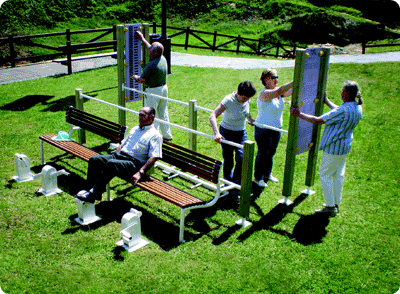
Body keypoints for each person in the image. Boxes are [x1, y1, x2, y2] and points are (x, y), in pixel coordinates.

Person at [290, 81, 363, 215]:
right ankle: (335, 203)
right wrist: (327, 101)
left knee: (325, 175)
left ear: (348, 94)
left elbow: (318, 120)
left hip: (333, 147)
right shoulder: (357, 107)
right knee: (338, 176)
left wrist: (298, 114)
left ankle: (330, 207)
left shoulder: (343, 110)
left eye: (343, 91)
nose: (341, 93)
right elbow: (338, 111)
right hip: (344, 147)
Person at [76, 106, 163, 203]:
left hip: (134, 163)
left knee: (112, 164)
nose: (140, 118)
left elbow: (154, 156)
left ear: (152, 117)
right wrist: (116, 153)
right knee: (94, 160)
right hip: (120, 156)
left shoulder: (155, 135)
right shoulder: (135, 129)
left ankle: (94, 193)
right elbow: (123, 144)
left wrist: (140, 173)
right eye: (139, 115)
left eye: (143, 115)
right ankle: (91, 190)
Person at [209, 81, 256, 186]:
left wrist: (250, 119)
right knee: (229, 160)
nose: (246, 100)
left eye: (248, 98)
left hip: (241, 133)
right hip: (227, 132)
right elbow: (212, 115)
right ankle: (228, 184)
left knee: (242, 158)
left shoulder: (246, 98)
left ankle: (235, 185)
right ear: (238, 93)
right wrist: (216, 133)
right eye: (244, 98)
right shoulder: (228, 100)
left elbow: (245, 111)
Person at [253, 69, 293, 188]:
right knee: (263, 153)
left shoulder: (278, 94)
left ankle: (267, 174)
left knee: (271, 153)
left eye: (277, 77)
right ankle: (257, 178)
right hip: (263, 129)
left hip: (276, 129)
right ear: (266, 80)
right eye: (273, 77)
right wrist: (294, 80)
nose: (276, 79)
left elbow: (289, 90)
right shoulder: (264, 93)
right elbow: (280, 90)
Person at [130, 31, 173, 141]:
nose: (149, 50)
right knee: (163, 112)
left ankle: (153, 136)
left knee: (151, 114)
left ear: (154, 53)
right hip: (163, 88)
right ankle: (167, 136)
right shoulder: (162, 58)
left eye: (151, 50)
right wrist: (142, 38)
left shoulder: (150, 65)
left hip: (153, 91)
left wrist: (134, 76)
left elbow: (141, 80)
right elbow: (150, 47)